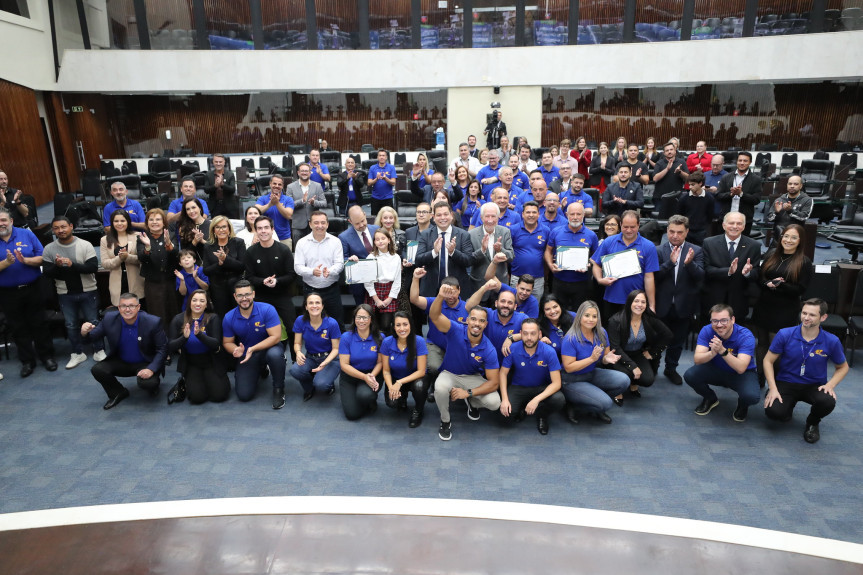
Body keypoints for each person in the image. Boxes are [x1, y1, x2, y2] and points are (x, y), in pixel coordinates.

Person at [763, 299, 849, 444]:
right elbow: (767, 361)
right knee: (774, 412)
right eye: (804, 313)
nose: (806, 318)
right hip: (786, 382)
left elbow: (843, 367)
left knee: (828, 401)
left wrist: (830, 385)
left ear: (823, 317)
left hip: (814, 385)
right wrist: (772, 388)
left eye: (812, 315)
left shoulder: (831, 340)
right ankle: (788, 406)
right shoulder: (785, 334)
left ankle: (813, 422)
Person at [429, 282, 501, 441]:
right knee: (440, 388)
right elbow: (434, 316)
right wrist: (441, 296)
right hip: (450, 373)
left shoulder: (489, 349)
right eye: (473, 319)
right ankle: (445, 420)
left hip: (471, 378)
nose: (476, 324)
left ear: (485, 324)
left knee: (495, 402)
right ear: (467, 320)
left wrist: (467, 393)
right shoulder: (455, 329)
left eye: (481, 321)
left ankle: (472, 402)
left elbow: (494, 382)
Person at [81, 293, 167, 410]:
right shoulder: (109, 319)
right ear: (118, 308)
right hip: (121, 361)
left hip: (145, 362)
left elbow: (162, 348)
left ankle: (153, 386)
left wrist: (151, 369)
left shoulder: (153, 322)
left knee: (148, 384)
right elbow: (92, 337)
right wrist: (84, 332)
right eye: (123, 306)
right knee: (97, 369)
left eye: (131, 306)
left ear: (138, 307)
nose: (127, 309)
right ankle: (118, 392)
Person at [41, 216, 104, 369]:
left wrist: (71, 265)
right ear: (53, 230)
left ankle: (99, 350)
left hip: (88, 291)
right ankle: (77, 353)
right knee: (70, 325)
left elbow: (92, 268)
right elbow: (48, 274)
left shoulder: (85, 245)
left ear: (71, 227)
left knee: (94, 322)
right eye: (56, 228)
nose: (60, 230)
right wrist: (57, 266)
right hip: (64, 293)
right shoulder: (49, 249)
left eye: (63, 227)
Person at [752, 224, 812, 379]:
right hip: (764, 306)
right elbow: (760, 277)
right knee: (762, 344)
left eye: (794, 237)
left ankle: (775, 381)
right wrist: (768, 283)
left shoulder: (804, 262)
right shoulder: (771, 254)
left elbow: (801, 289)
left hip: (784, 311)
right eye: (786, 236)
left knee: (776, 348)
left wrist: (780, 284)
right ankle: (759, 377)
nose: (788, 240)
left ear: (800, 241)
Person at [685, 303, 760, 422]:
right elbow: (697, 359)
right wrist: (712, 353)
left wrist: (722, 351)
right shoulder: (707, 330)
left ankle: (743, 404)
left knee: (752, 396)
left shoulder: (745, 336)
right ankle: (710, 398)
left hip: (741, 374)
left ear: (733, 320)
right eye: (715, 321)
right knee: (690, 375)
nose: (719, 325)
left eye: (724, 320)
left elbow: (741, 368)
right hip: (716, 369)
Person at [560, 300, 628, 424]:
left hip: (591, 373)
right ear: (580, 316)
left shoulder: (601, 332)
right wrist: (591, 359)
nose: (590, 319)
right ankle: (572, 404)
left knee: (624, 380)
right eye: (587, 315)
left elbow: (605, 356)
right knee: (606, 403)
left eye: (594, 316)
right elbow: (569, 367)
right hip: (571, 379)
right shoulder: (570, 338)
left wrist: (606, 359)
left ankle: (591, 401)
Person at [655, 215, 704, 385]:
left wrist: (689, 264)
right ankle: (653, 367)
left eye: (679, 232)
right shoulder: (659, 250)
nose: (675, 235)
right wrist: (669, 263)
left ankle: (671, 369)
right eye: (671, 231)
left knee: (677, 342)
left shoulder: (695, 250)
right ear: (667, 231)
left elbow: (700, 277)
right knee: (656, 340)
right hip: (662, 304)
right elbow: (654, 277)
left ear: (687, 232)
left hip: (684, 305)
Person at [222, 280, 287, 408]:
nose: (244, 298)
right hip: (247, 355)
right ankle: (262, 368)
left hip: (270, 348)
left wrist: (253, 348)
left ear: (253, 294)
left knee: (275, 355)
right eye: (240, 295)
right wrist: (235, 350)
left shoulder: (267, 309)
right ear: (235, 297)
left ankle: (279, 389)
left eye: (247, 294)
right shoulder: (229, 317)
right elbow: (227, 342)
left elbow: (275, 337)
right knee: (244, 395)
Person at [409, 269, 468, 401]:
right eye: (446, 293)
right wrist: (415, 278)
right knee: (435, 367)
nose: (450, 296)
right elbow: (414, 299)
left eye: (453, 292)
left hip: (457, 347)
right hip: (435, 344)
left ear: (459, 290)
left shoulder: (467, 307)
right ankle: (434, 385)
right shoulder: (434, 302)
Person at [499, 318, 565, 435]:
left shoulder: (549, 351)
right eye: (525, 333)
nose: (529, 338)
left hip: (542, 387)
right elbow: (503, 373)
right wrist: (504, 399)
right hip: (519, 387)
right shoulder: (513, 349)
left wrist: (536, 400)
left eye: (533, 333)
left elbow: (556, 383)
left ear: (539, 334)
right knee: (506, 417)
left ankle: (542, 415)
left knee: (559, 399)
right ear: (520, 334)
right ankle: (522, 408)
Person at [607, 289, 672, 402]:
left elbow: (668, 335)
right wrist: (633, 366)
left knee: (648, 380)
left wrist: (652, 353)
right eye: (636, 301)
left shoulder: (648, 318)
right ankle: (617, 390)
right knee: (626, 374)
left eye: (643, 302)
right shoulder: (615, 320)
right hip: (619, 356)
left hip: (637, 353)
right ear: (629, 303)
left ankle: (633, 382)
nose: (639, 305)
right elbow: (615, 348)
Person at [167, 289, 230, 404]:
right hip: (191, 363)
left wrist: (199, 335)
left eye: (202, 301)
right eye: (194, 300)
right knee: (197, 398)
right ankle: (190, 382)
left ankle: (210, 381)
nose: (197, 304)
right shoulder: (178, 319)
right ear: (189, 302)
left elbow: (216, 343)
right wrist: (184, 338)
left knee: (219, 396)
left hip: (211, 361)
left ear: (206, 304)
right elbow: (170, 346)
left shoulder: (213, 318)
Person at [592, 210, 658, 319]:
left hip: (636, 302)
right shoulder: (608, 242)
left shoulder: (648, 246)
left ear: (638, 225)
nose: (629, 230)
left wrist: (651, 305)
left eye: (632, 227)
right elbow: (596, 264)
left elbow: (649, 277)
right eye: (625, 227)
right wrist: (599, 279)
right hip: (611, 298)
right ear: (620, 225)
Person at [244, 216, 296, 348]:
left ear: (272, 229)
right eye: (259, 228)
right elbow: (249, 277)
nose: (263, 231)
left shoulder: (284, 250)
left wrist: (276, 281)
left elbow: (291, 275)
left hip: (282, 294)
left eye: (266, 227)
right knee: (258, 329)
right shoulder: (250, 252)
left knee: (292, 328)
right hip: (261, 296)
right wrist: (263, 281)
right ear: (255, 231)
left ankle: (296, 360)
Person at [701, 211, 761, 321]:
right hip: (714, 299)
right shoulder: (709, 243)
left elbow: (757, 273)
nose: (735, 226)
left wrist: (748, 273)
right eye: (731, 223)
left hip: (738, 301)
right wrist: (728, 271)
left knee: (735, 336)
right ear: (724, 225)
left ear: (744, 226)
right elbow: (706, 270)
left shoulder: (754, 246)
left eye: (739, 223)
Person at [546, 202, 598, 312]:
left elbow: (595, 256)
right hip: (559, 281)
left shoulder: (591, 235)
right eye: (572, 214)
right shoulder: (556, 232)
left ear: (583, 215)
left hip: (582, 283)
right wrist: (551, 265)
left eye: (578, 214)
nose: (575, 217)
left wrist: (589, 264)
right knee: (559, 313)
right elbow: (548, 251)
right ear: (566, 215)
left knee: (579, 314)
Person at [294, 211, 345, 325]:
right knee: (311, 323)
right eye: (316, 223)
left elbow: (340, 264)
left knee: (338, 323)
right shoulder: (302, 243)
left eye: (323, 223)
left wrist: (330, 271)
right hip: (310, 289)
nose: (320, 226)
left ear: (327, 224)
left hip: (332, 289)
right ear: (310, 224)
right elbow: (298, 267)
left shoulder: (335, 241)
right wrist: (312, 271)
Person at [381, 311, 429, 428]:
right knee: (392, 403)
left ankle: (418, 410)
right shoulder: (387, 342)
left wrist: (400, 382)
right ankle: (402, 399)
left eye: (405, 324)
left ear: (410, 325)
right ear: (393, 326)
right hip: (396, 377)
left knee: (419, 387)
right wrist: (391, 387)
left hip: (415, 378)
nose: (402, 328)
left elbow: (421, 371)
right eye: (398, 325)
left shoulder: (419, 341)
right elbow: (386, 370)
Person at [290, 292, 341, 401]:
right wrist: (298, 352)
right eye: (311, 303)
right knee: (295, 370)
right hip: (311, 357)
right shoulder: (300, 320)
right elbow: (297, 343)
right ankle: (309, 388)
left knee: (322, 384)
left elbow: (336, 349)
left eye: (317, 303)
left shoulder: (332, 323)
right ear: (306, 307)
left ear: (322, 306)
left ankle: (327, 384)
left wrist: (325, 363)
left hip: (330, 359)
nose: (314, 306)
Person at [415, 201, 473, 297]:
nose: (442, 218)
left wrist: (453, 252)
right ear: (433, 217)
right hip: (431, 289)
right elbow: (418, 260)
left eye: (445, 214)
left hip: (456, 289)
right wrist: (434, 252)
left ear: (451, 215)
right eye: (439, 215)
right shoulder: (426, 234)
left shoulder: (463, 235)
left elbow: (469, 261)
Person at [338, 304, 384, 421]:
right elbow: (344, 365)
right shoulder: (346, 337)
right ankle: (360, 400)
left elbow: (380, 362)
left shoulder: (380, 337)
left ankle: (370, 400)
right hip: (350, 376)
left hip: (372, 374)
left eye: (365, 317)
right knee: (352, 415)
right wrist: (364, 377)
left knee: (365, 395)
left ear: (371, 319)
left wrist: (372, 376)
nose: (361, 321)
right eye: (358, 317)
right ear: (354, 319)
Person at [136, 208, 179, 334]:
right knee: (157, 314)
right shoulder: (142, 237)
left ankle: (175, 342)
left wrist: (169, 245)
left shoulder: (170, 235)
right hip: (152, 283)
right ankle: (162, 344)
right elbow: (141, 258)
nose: (155, 222)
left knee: (173, 311)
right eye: (151, 219)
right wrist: (148, 247)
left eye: (158, 219)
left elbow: (176, 256)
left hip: (171, 281)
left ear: (164, 222)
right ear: (147, 222)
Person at [466, 278, 528, 363]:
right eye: (503, 301)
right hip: (484, 363)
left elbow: (536, 335)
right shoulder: (487, 314)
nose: (506, 305)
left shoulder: (522, 318)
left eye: (510, 303)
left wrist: (511, 338)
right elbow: (469, 307)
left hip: (510, 367)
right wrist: (484, 288)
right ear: (496, 303)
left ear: (515, 307)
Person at [353, 228, 402, 334]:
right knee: (373, 323)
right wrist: (376, 300)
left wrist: (389, 298)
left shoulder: (396, 257)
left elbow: (397, 281)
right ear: (374, 242)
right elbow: (368, 281)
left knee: (386, 324)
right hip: (374, 292)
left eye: (383, 238)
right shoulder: (371, 257)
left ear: (389, 240)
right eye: (377, 239)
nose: (380, 241)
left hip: (389, 292)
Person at [201, 215, 246, 317]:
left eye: (224, 227)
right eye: (217, 227)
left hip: (236, 287)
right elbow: (206, 271)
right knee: (222, 317)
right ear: (213, 230)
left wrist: (226, 259)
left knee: (239, 315)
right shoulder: (208, 246)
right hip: (217, 289)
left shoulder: (238, 242)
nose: (221, 230)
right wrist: (219, 264)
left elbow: (242, 266)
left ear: (229, 229)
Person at [100, 209, 144, 309]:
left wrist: (128, 257)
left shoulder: (137, 236)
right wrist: (119, 258)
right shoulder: (105, 240)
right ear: (112, 223)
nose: (119, 224)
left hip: (136, 283)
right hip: (117, 284)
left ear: (128, 222)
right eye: (116, 221)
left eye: (122, 221)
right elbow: (105, 263)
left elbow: (143, 259)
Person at [468, 203, 513, 297]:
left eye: (493, 216)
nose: (490, 220)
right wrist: (482, 250)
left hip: (500, 284)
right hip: (479, 284)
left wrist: (500, 250)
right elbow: (468, 260)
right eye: (487, 216)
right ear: (481, 218)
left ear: (498, 217)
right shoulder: (471, 234)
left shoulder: (505, 232)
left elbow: (511, 257)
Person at [340, 205, 380, 305]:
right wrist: (349, 259)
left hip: (379, 280)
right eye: (357, 223)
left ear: (365, 215)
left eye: (363, 221)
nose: (361, 225)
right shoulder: (344, 237)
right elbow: (343, 259)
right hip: (359, 284)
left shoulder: (376, 229)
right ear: (350, 221)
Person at [715, 151, 762, 237]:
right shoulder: (726, 177)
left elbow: (756, 200)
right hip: (726, 218)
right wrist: (731, 194)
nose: (742, 163)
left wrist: (741, 194)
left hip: (744, 220)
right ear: (736, 161)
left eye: (745, 161)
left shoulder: (756, 179)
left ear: (750, 162)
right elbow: (718, 195)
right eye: (740, 160)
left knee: (742, 246)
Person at [286, 162, 327, 244]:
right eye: (302, 171)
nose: (304, 173)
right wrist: (302, 201)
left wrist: (314, 202)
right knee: (299, 250)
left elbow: (324, 203)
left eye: (306, 171)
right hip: (298, 226)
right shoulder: (290, 187)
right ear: (298, 173)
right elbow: (289, 206)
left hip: (314, 225)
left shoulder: (317, 186)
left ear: (310, 172)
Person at [765, 175, 812, 241]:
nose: (792, 186)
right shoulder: (779, 199)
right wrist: (776, 212)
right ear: (787, 185)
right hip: (779, 234)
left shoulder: (807, 200)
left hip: (796, 235)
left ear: (801, 186)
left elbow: (804, 217)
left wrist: (790, 210)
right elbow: (769, 219)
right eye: (790, 184)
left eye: (795, 184)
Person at [255, 173, 295, 249]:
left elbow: (289, 215)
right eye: (274, 183)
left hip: (284, 238)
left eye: (279, 184)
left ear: (282, 186)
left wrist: (277, 203)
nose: (277, 186)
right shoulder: (262, 199)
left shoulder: (288, 199)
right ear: (270, 184)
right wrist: (270, 204)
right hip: (265, 238)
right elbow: (256, 211)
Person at [675, 171, 714, 245]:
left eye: (693, 185)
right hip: (687, 231)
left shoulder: (709, 198)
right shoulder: (683, 198)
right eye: (689, 184)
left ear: (700, 183)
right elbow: (680, 215)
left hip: (702, 232)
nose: (690, 187)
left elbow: (710, 216)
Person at [652, 141, 689, 216]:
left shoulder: (681, 162)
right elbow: (655, 179)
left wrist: (680, 172)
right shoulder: (659, 163)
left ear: (675, 151)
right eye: (667, 150)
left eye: (671, 150)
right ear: (664, 153)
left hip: (677, 198)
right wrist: (667, 169)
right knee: (659, 222)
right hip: (660, 198)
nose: (669, 152)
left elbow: (688, 178)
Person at [204, 153, 237, 218]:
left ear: (224, 162)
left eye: (220, 162)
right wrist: (215, 186)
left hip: (229, 205)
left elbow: (233, 189)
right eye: (216, 162)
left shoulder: (230, 174)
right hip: (215, 206)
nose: (218, 164)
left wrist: (222, 185)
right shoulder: (208, 174)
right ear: (213, 162)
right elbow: (206, 190)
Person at [367, 148, 397, 215]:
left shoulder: (391, 167)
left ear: (386, 157)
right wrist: (376, 179)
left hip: (388, 198)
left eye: (383, 155)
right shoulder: (372, 168)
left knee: (388, 218)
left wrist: (385, 178)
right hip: (375, 198)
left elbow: (393, 182)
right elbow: (369, 183)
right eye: (380, 155)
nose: (381, 157)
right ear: (377, 157)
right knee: (375, 219)